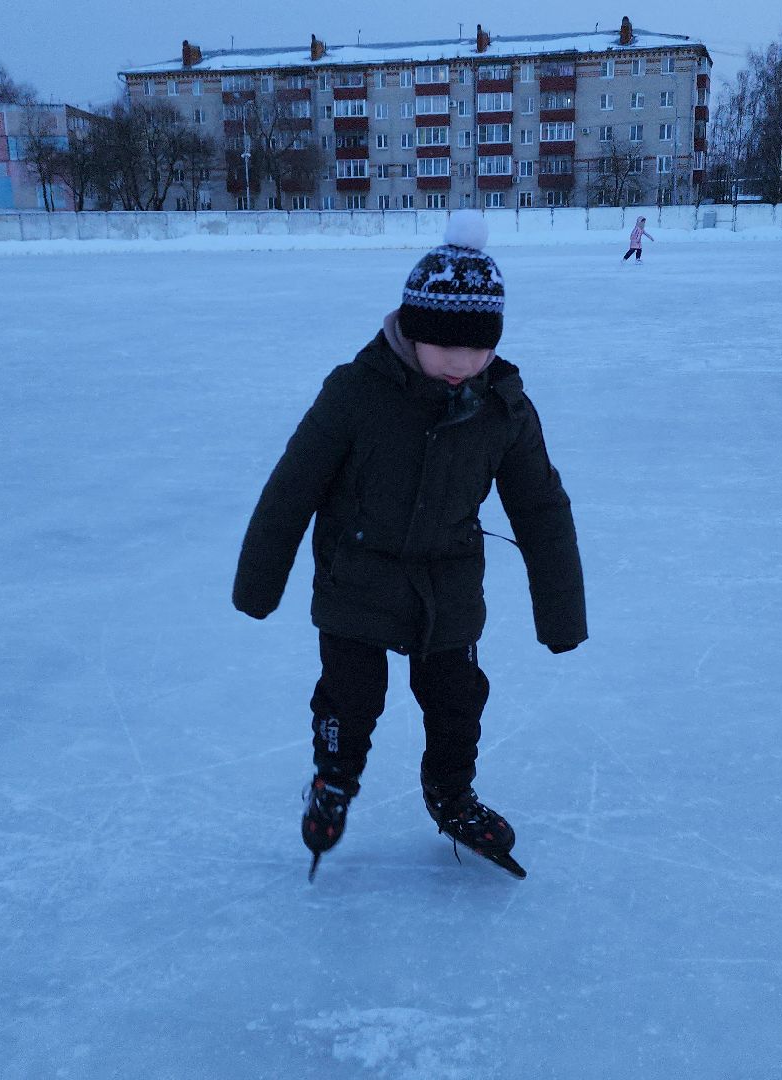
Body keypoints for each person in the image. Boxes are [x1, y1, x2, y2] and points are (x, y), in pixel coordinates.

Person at [233, 209, 587, 878]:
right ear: (410, 332)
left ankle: (452, 794)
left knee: (458, 701)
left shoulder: (502, 407)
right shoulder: (355, 393)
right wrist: (260, 584)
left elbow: (540, 507)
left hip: (448, 585)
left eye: (477, 353)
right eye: (444, 353)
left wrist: (561, 612)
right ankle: (333, 780)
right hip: (355, 577)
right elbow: (292, 488)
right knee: (351, 696)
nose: (461, 368)